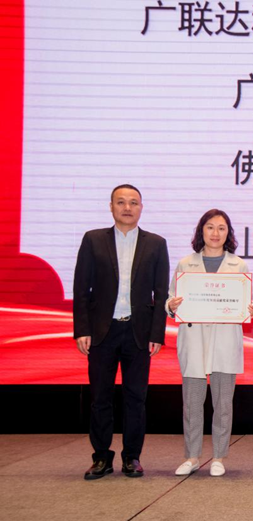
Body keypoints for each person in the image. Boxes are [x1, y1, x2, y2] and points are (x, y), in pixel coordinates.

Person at [73, 184, 169, 480]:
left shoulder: (156, 243)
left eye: (134, 202)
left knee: (135, 398)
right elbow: (81, 288)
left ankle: (132, 457)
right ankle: (101, 457)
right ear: (111, 207)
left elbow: (160, 293)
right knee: (100, 397)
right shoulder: (93, 240)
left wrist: (157, 334)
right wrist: (82, 329)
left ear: (141, 208)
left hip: (138, 333)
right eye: (121, 202)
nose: (128, 208)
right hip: (102, 331)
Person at [168, 210, 253, 477]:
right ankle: (192, 456)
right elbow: (171, 300)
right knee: (192, 404)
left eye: (221, 228)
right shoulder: (186, 264)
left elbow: (245, 303)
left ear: (228, 233)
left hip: (224, 340)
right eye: (210, 227)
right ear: (201, 231)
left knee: (223, 404)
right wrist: (171, 306)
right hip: (194, 338)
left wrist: (249, 309)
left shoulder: (239, 266)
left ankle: (218, 457)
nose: (215, 233)